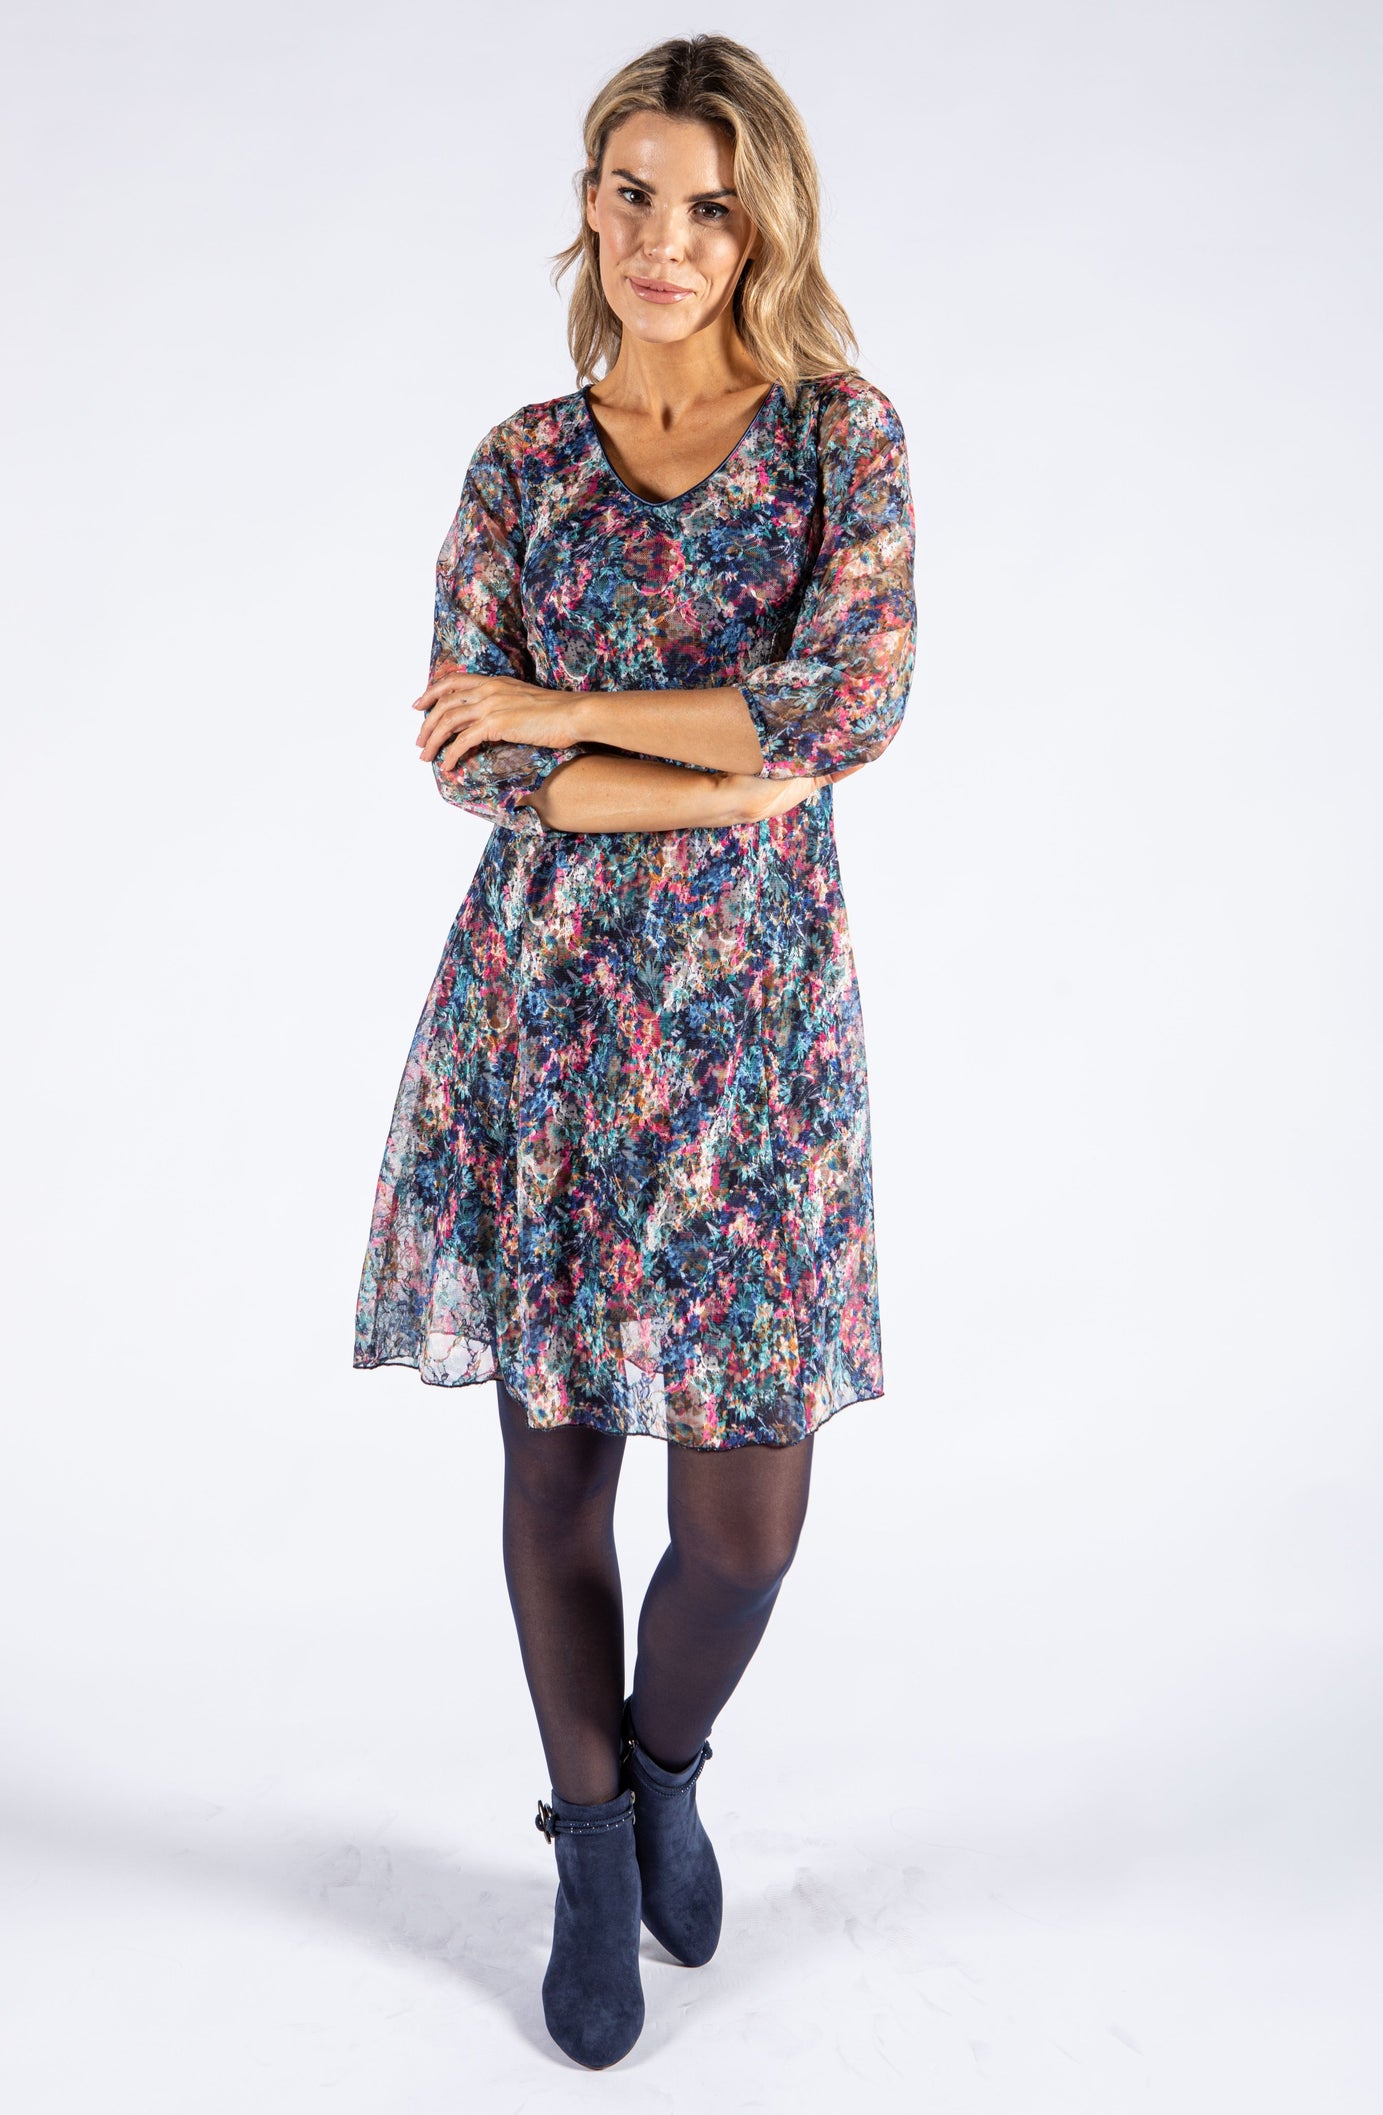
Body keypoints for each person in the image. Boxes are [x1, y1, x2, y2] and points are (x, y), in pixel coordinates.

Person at [352, 31, 917, 2069]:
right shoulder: (523, 463)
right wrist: (709, 765)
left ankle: (664, 1761)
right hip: (556, 1016)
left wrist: (574, 718)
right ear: (590, 204)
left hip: (757, 1042)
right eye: (632, 194)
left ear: (765, 224)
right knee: (559, 1459)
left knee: (744, 1524)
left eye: (709, 206)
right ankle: (589, 1844)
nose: (665, 240)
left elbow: (852, 701)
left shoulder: (841, 436)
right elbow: (466, 752)